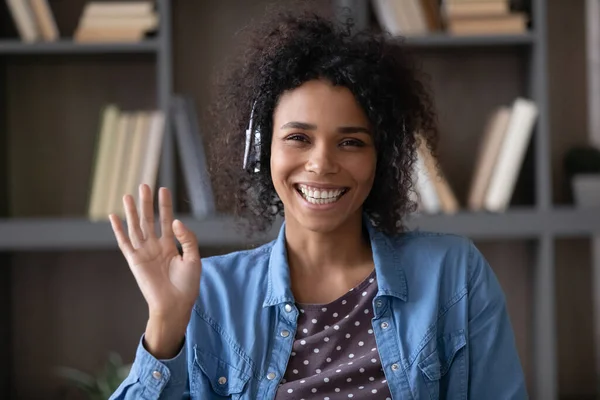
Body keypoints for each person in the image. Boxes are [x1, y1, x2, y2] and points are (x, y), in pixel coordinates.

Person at [108, 4, 527, 400]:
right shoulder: (209, 293)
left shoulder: (453, 277)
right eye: (298, 138)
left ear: (381, 158)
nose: (321, 163)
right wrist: (165, 323)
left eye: (350, 142)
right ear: (260, 150)